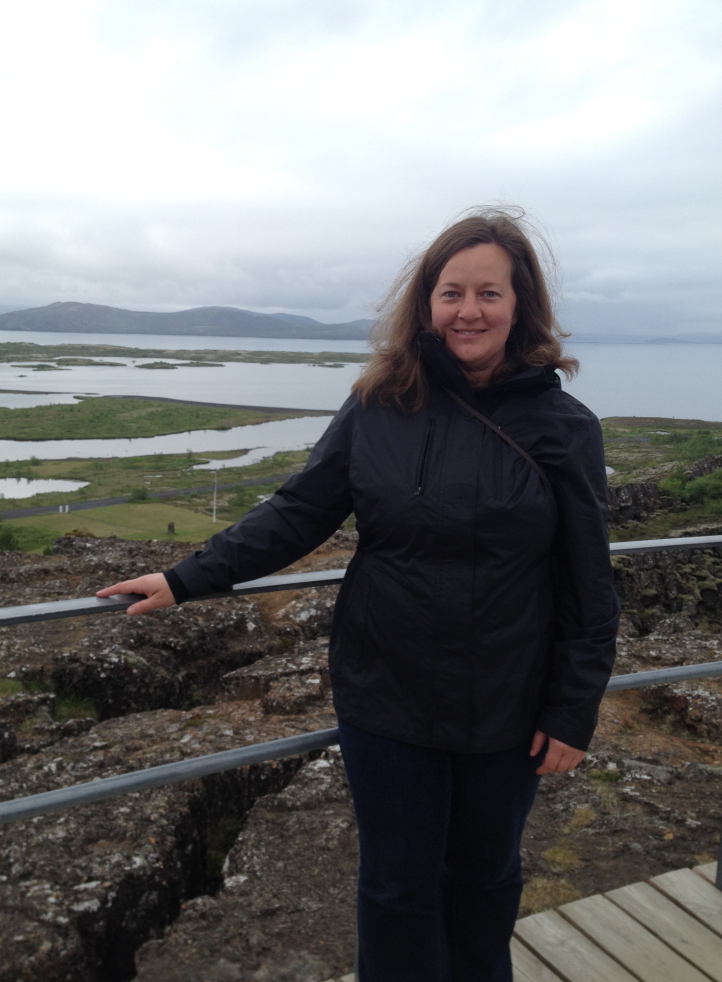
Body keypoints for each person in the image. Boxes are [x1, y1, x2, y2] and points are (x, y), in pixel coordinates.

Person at [97, 208, 620, 982]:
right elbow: (300, 510)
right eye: (450, 293)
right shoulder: (380, 404)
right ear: (426, 305)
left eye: (489, 294)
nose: (468, 311)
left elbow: (588, 582)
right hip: (388, 694)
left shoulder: (564, 428)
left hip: (508, 705)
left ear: (520, 307)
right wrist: (185, 578)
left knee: (484, 884)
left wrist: (573, 708)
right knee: (395, 889)